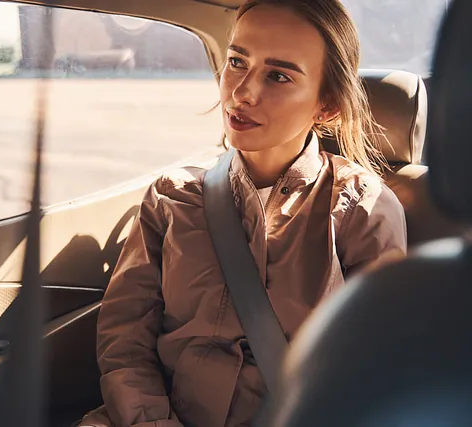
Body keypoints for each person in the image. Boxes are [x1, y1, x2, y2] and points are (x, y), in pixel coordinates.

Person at [80, 0, 407, 426]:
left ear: (326, 106)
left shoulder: (361, 208)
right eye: (237, 61)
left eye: (278, 75)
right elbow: (125, 344)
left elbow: (376, 369)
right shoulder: (171, 198)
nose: (242, 92)